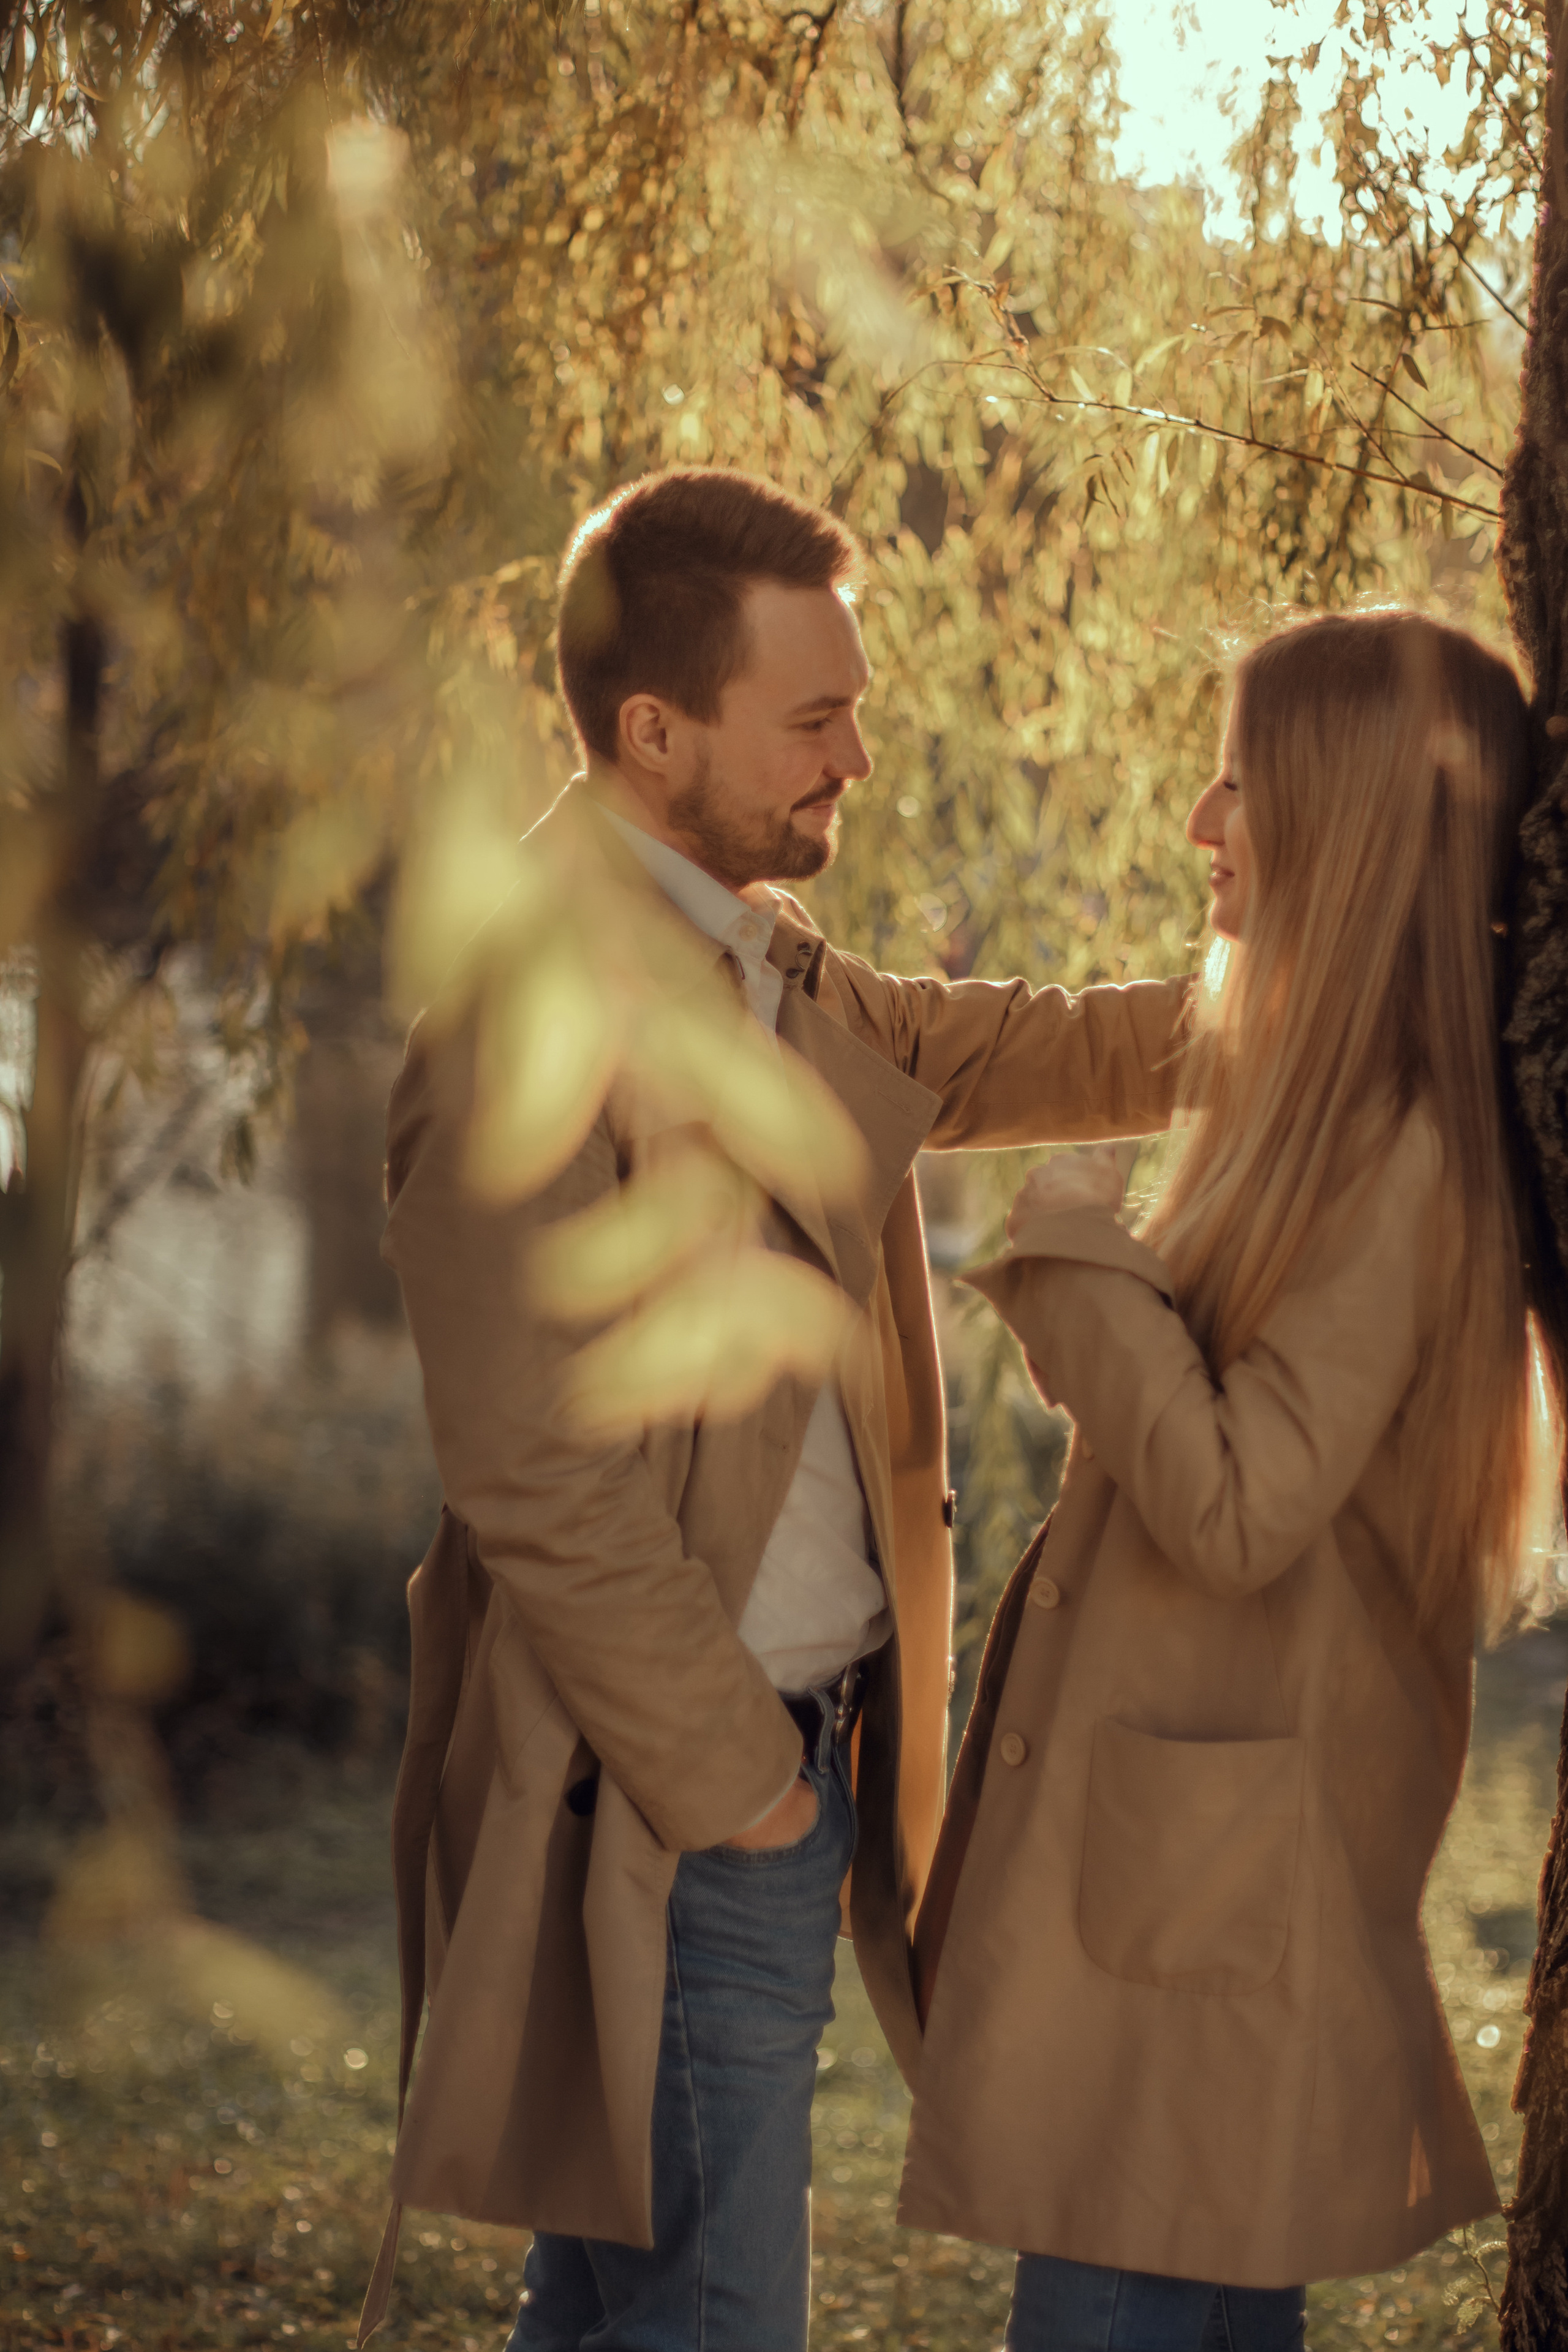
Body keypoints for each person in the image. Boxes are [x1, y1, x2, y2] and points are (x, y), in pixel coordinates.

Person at [357, 466, 1191, 2351]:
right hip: (663, 1809)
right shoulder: (523, 1009)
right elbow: (536, 1477)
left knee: (611, 2316)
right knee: (709, 2322)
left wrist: (1303, 1004)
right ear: (655, 730)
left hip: (755, 1772)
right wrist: (739, 1788)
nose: (860, 759)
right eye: (814, 720)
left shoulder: (752, 957)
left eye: (858, 708)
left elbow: (1008, 1047)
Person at [899, 609, 1562, 2352]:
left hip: (1212, 1863)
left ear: (1343, 828)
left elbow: (1241, 1503)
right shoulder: (1315, 1102)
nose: (1199, 824)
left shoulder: (1396, 1144)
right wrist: (1097, 1290)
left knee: (1127, 2292)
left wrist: (1068, 1255)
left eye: (1238, 784)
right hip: (1201, 1851)